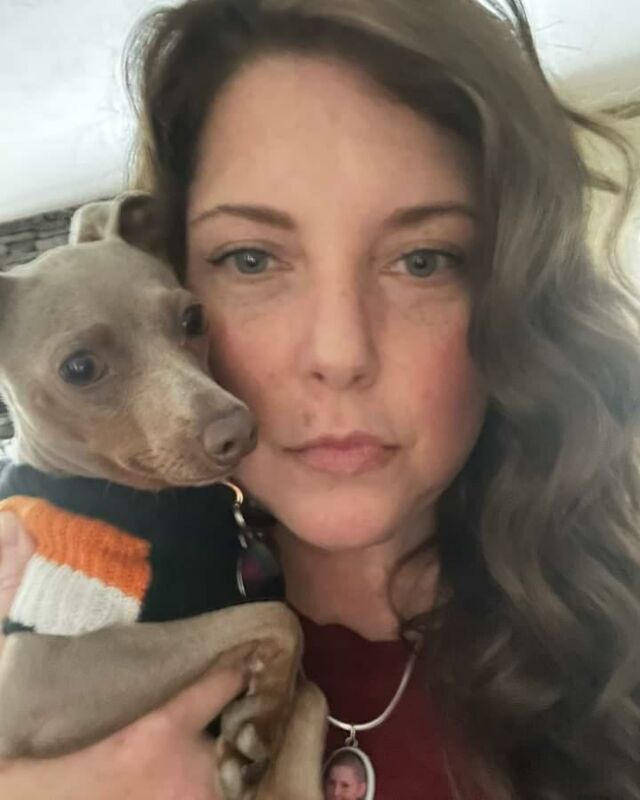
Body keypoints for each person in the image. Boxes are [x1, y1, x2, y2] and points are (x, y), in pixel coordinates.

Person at [1, 0, 639, 797]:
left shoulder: (616, 646)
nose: (340, 353)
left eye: (423, 260)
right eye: (252, 259)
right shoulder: (59, 608)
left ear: (515, 293)